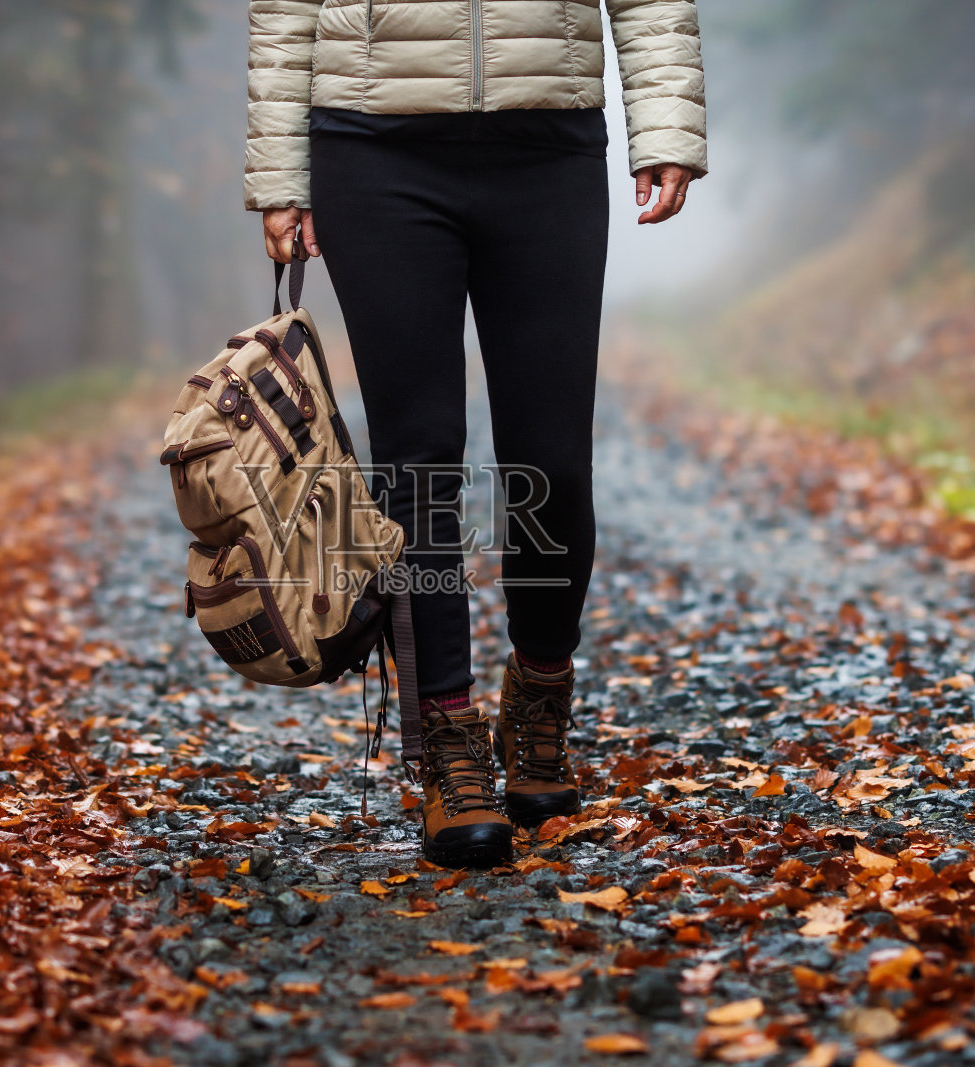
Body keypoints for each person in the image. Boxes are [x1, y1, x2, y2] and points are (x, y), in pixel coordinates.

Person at [244, 0, 707, 869]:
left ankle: (538, 696)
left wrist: (666, 126)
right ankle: (447, 739)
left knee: (551, 461)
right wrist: (282, 177)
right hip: (372, 146)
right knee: (417, 465)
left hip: (546, 147)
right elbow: (284, 11)